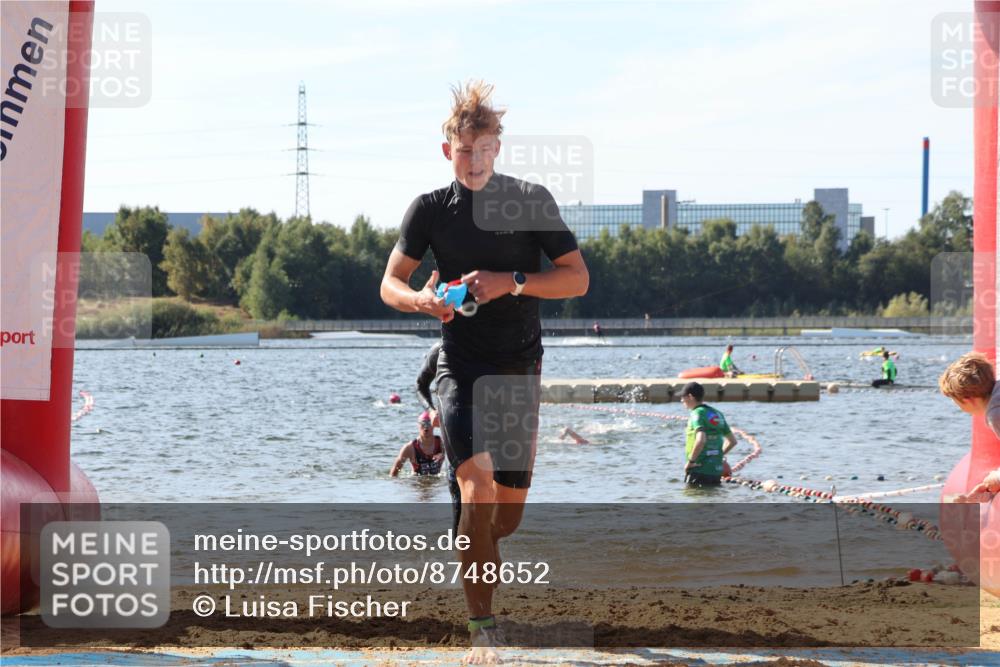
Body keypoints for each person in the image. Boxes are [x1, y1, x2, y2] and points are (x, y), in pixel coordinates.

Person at [379, 80, 589, 663]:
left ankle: (472, 537)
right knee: (476, 492)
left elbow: (577, 278)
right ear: (447, 150)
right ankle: (483, 630)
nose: (474, 161)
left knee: (505, 519)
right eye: (464, 150)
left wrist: (513, 282)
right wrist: (421, 301)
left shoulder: (530, 200)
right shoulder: (429, 209)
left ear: (499, 148)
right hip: (461, 366)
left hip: (519, 369)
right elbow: (390, 283)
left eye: (484, 149)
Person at [415, 340, 463, 535]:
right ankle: (459, 544)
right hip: (452, 433)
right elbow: (420, 385)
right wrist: (431, 411)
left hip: (485, 432)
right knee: (458, 497)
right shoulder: (440, 349)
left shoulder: (486, 343)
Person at [680, 382, 737, 486]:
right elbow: (732, 441)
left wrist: (691, 462)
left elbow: (701, 439)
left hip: (698, 469)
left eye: (683, 397)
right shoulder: (717, 414)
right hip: (716, 471)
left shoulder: (696, 413)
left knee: (692, 495)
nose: (681, 400)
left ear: (690, 396)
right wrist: (718, 455)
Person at [390, 411, 445, 476]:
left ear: (434, 425)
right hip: (416, 481)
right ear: (418, 426)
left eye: (429, 423)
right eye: (423, 424)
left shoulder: (442, 444)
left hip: (436, 482)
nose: (426, 427)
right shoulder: (409, 448)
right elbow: (393, 474)